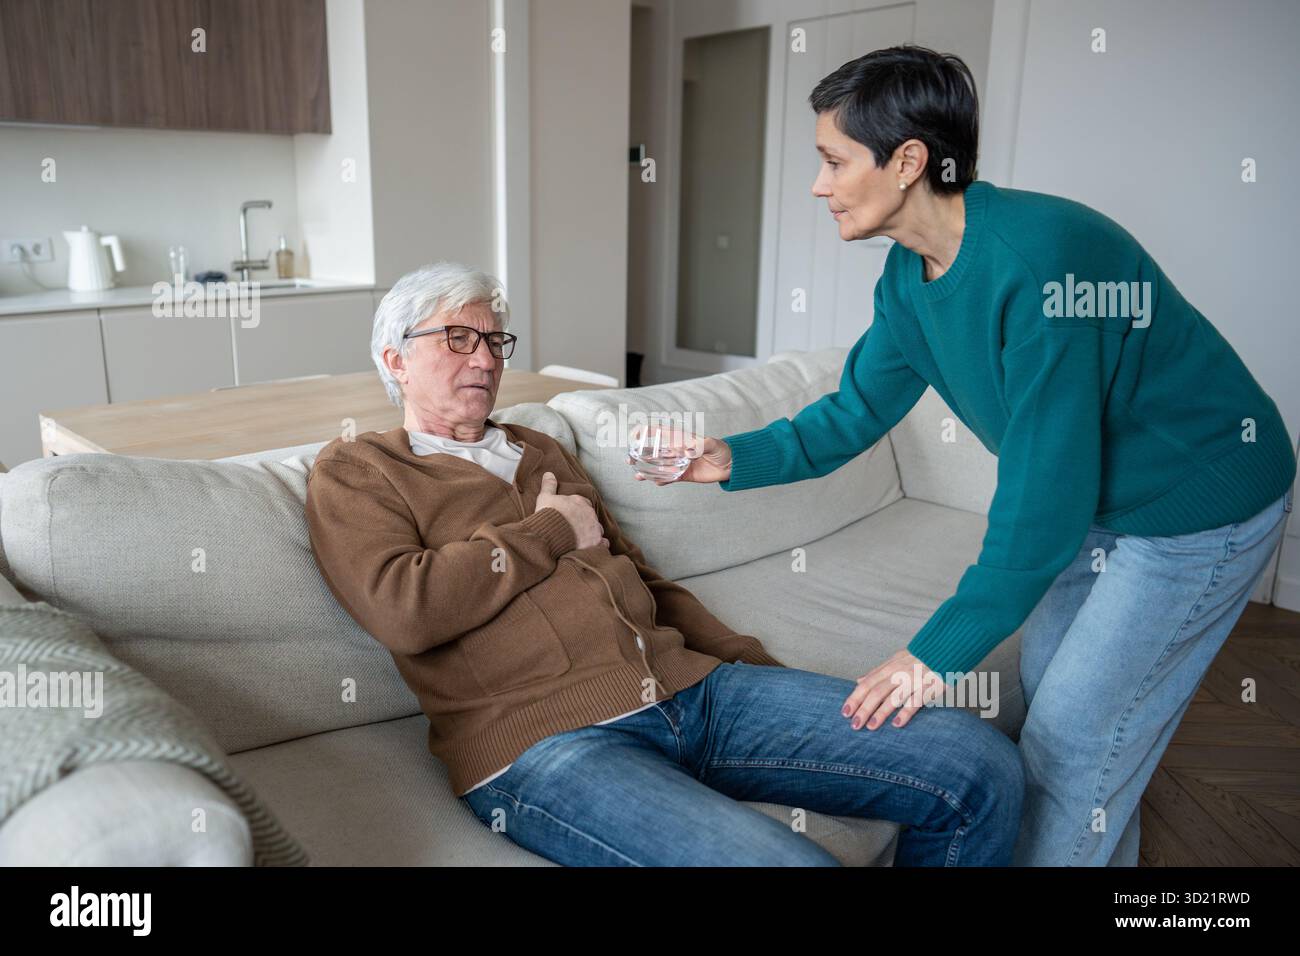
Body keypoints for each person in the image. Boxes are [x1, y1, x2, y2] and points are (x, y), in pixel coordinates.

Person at [649, 45, 1295, 866]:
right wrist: (727, 458)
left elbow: (1044, 497)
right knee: (1071, 722)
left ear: (908, 161)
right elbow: (854, 409)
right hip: (1100, 505)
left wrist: (934, 655)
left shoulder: (1044, 260)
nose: (818, 184)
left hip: (1200, 505)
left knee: (1077, 737)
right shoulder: (908, 278)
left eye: (833, 160)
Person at [304, 260, 1025, 866]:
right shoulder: (359, 470)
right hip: (546, 743)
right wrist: (551, 530)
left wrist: (753, 675)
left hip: (693, 692)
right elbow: (407, 609)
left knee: (976, 766)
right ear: (395, 358)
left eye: (496, 341)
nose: (487, 359)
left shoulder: (537, 448)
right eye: (459, 339)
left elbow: (641, 581)